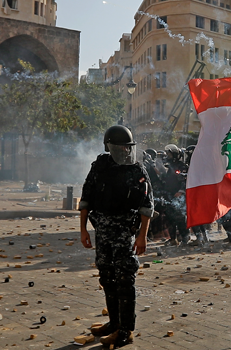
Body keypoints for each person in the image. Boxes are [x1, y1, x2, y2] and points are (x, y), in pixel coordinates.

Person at [79, 125, 154, 348]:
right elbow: (86, 199)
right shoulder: (100, 167)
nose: (124, 150)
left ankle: (126, 331)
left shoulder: (137, 170)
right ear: (109, 147)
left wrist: (142, 236)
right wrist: (83, 229)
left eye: (127, 147)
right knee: (107, 277)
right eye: (120, 146)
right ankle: (114, 323)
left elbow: (146, 206)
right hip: (102, 233)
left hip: (124, 235)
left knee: (124, 280)